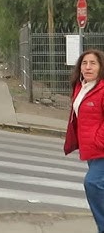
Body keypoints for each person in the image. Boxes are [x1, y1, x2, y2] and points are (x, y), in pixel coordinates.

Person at [64, 49, 104, 232]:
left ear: (101, 67)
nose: (88, 67)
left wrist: (98, 141)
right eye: (84, 63)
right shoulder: (81, 86)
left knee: (92, 183)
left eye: (93, 63)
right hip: (90, 149)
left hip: (100, 148)